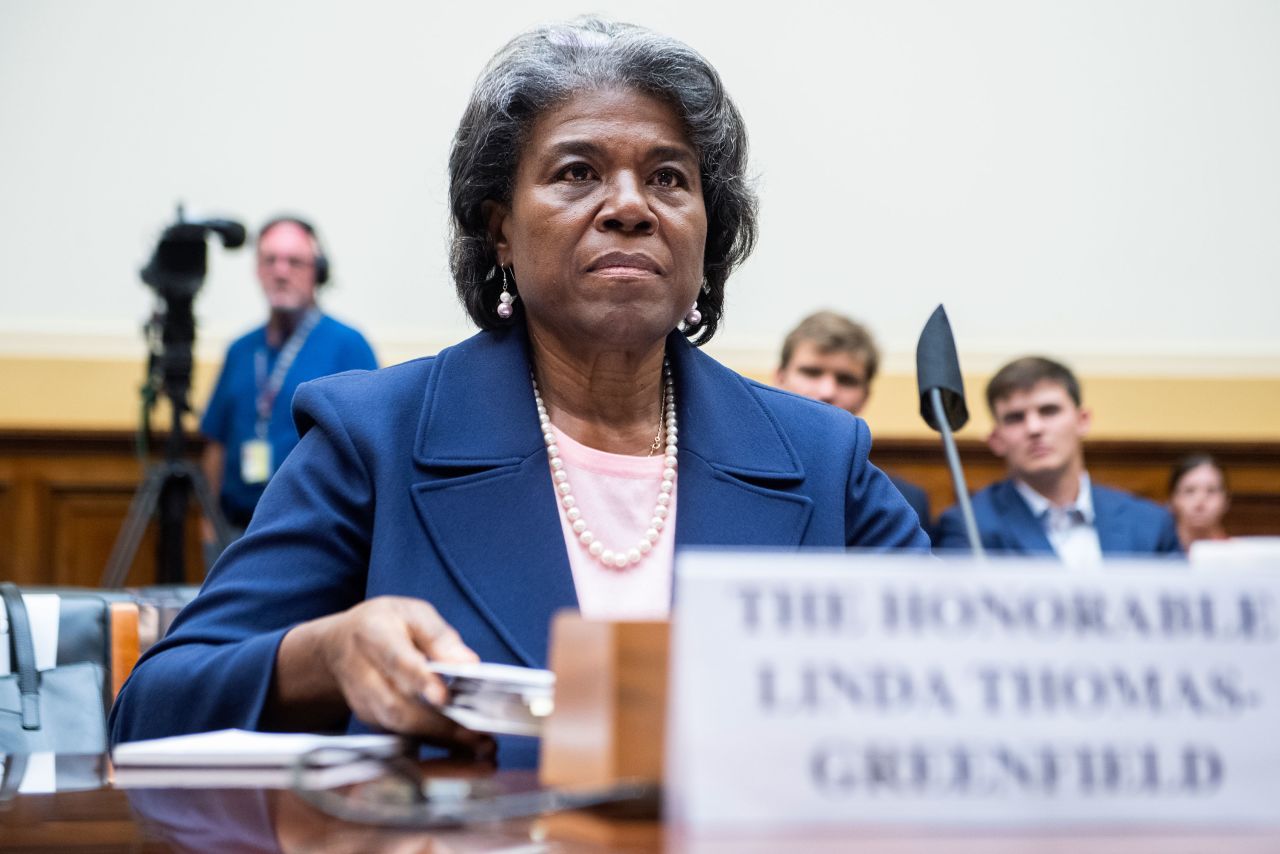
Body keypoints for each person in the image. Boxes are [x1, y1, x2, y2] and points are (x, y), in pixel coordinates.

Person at [110, 18, 930, 768]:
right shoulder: (375, 438)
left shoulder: (822, 459)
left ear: (708, 229)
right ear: (499, 227)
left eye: (670, 178)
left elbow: (950, 691)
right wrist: (323, 659)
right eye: (578, 172)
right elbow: (154, 707)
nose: (631, 207)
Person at [199, 216, 377, 549]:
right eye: (270, 260)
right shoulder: (240, 350)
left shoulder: (349, 346)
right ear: (257, 270)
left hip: (314, 535)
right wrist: (208, 524)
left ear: (317, 272)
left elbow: (373, 447)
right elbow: (216, 444)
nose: (281, 272)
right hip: (236, 534)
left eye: (294, 262)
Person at [935, 356, 1180, 561]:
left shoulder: (1149, 523)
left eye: (1049, 411)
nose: (1034, 428)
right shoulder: (969, 527)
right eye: (1015, 418)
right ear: (996, 439)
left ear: (1082, 420)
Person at [775, 311, 932, 533]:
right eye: (811, 372)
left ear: (865, 396)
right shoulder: (736, 476)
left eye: (846, 380)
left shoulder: (904, 500)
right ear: (779, 378)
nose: (827, 391)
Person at [1168, 454, 1230, 551]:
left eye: (1211, 491)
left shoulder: (1237, 556)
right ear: (1173, 499)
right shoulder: (1153, 553)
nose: (1200, 501)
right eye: (1189, 491)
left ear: (1226, 500)